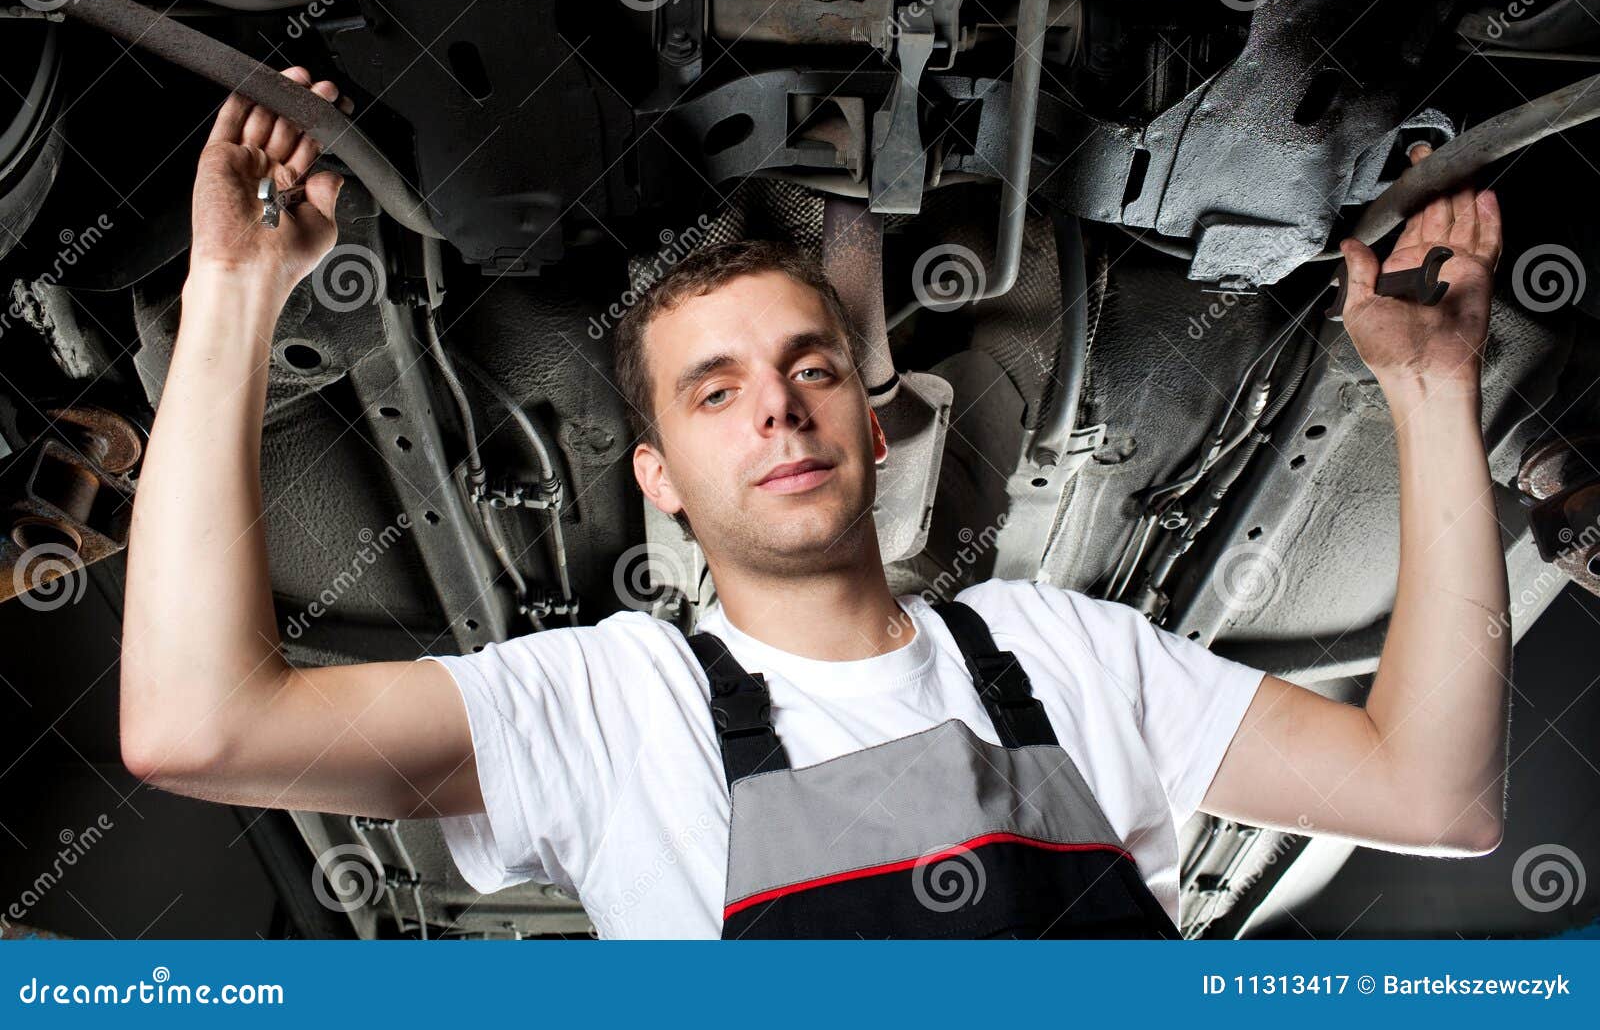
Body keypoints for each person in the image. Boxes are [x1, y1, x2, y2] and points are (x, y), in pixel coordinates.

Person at [119, 67, 1510, 938]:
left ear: (870, 413)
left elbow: (1432, 794)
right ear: (656, 476)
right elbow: (199, 725)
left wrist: (1433, 387)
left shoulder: (1064, 651)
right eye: (712, 391)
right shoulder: (610, 704)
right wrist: (234, 297)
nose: (777, 405)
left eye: (808, 369)